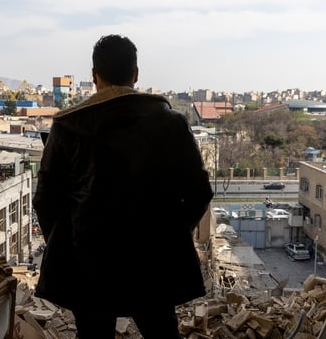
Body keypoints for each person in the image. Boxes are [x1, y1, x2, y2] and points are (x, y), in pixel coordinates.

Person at [33, 34, 213, 338]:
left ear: (94, 77)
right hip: (152, 260)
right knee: (161, 331)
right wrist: (171, 233)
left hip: (89, 261)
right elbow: (199, 192)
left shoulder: (68, 127)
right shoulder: (170, 123)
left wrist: (68, 241)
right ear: (136, 74)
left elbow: (46, 200)